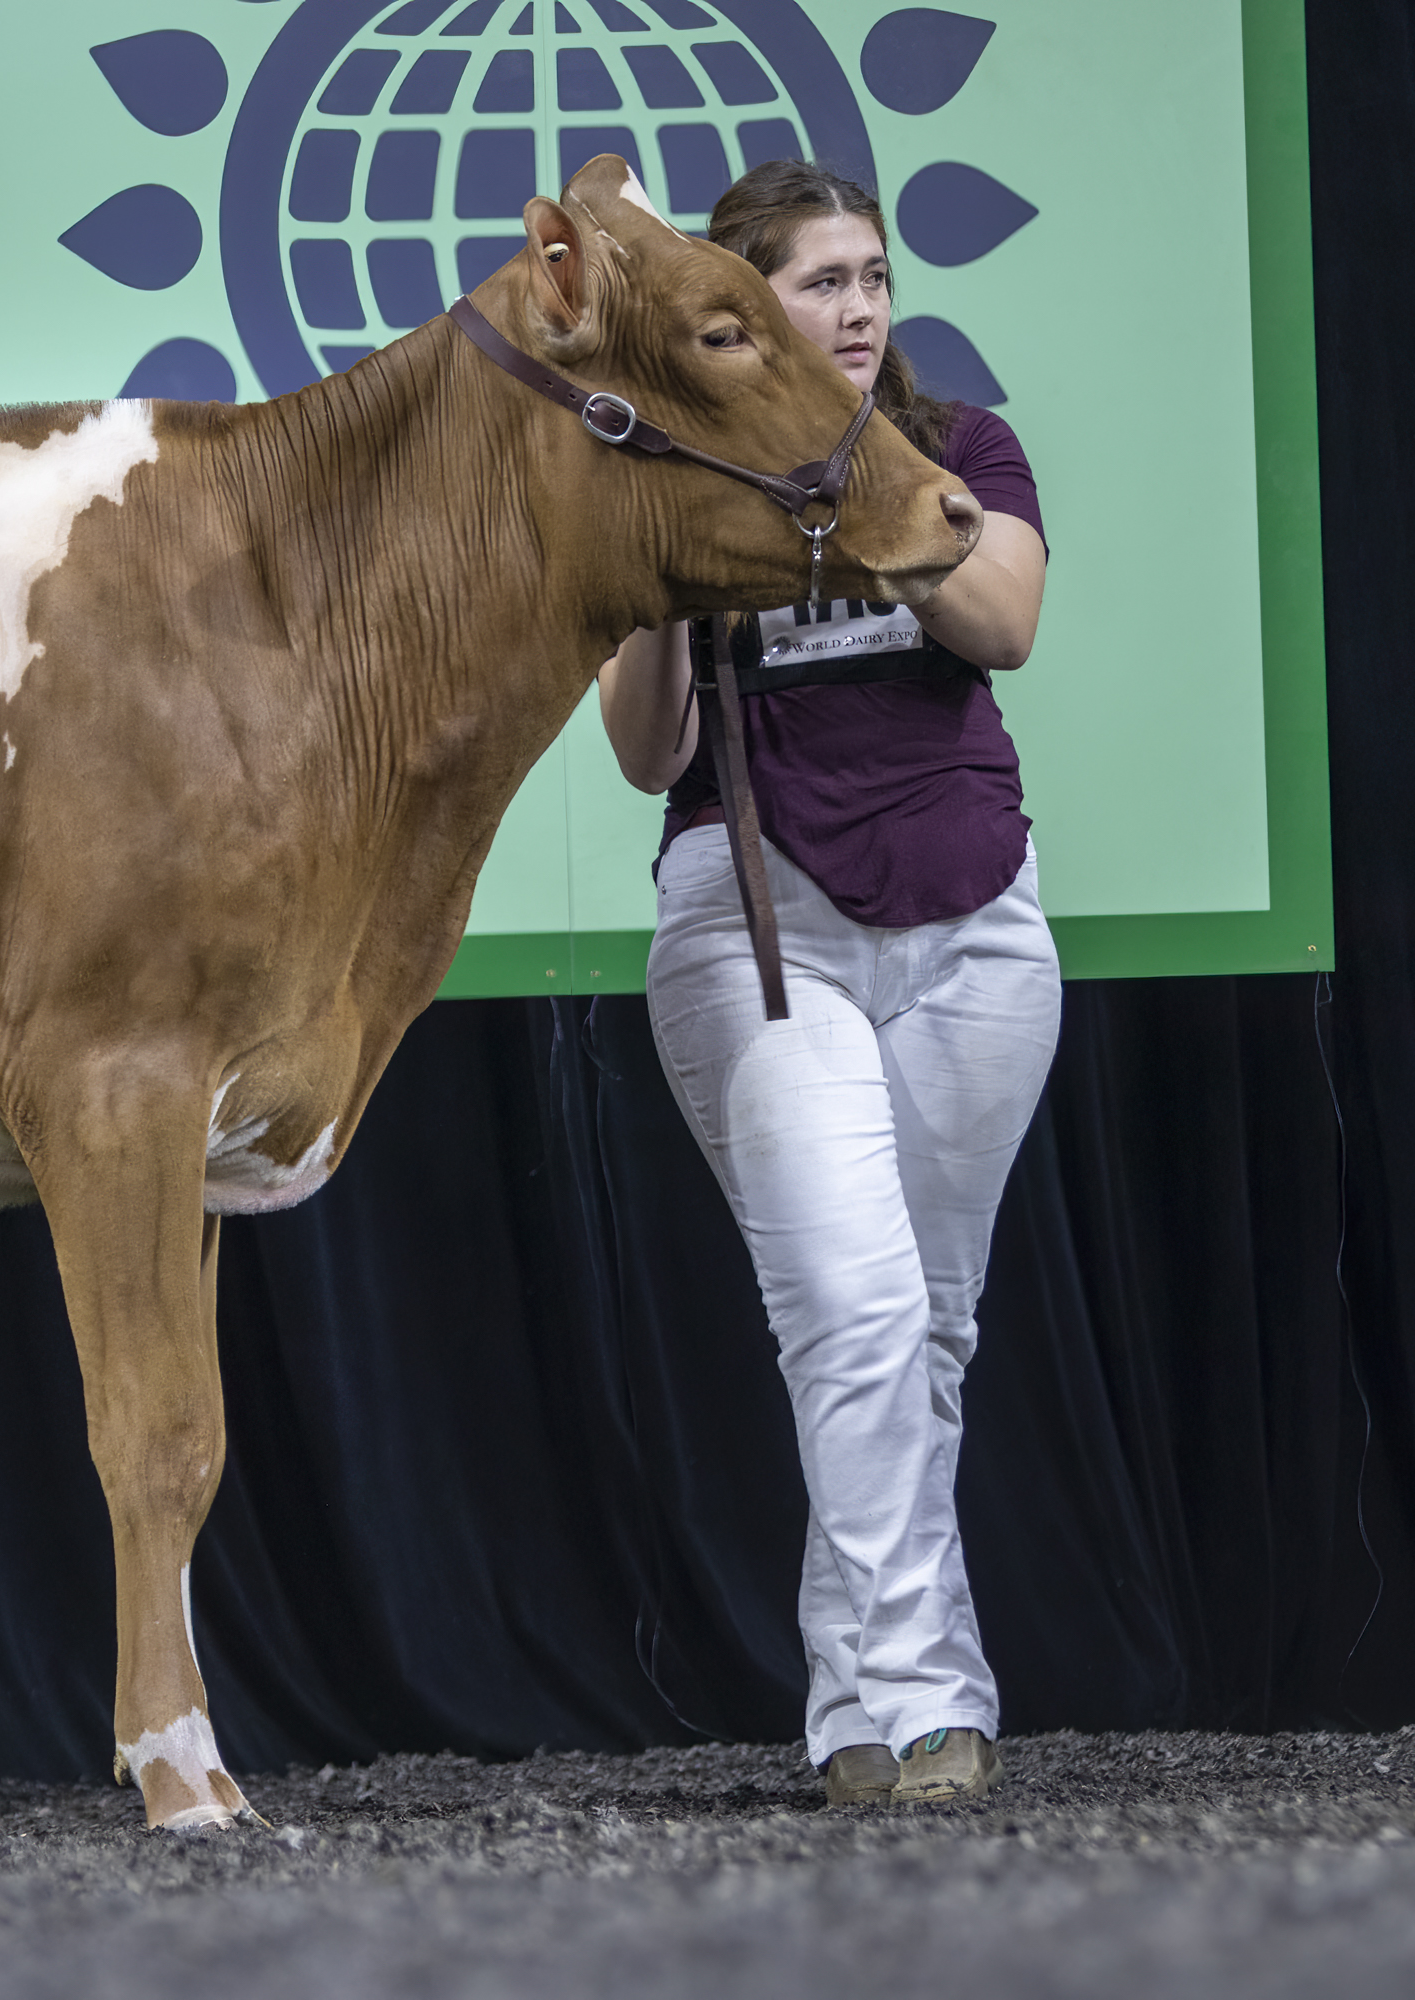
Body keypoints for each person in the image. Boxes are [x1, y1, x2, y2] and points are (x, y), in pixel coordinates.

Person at [596, 159, 1055, 1809]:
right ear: (744, 306)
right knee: (852, 1316)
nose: (858, 307)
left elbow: (1003, 622)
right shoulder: (681, 482)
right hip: (758, 928)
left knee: (926, 1329)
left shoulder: (960, 449)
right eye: (819, 282)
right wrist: (676, 552)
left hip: (977, 923)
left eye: (872, 277)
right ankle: (932, 1706)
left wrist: (852, 478)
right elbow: (648, 747)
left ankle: (857, 1705)